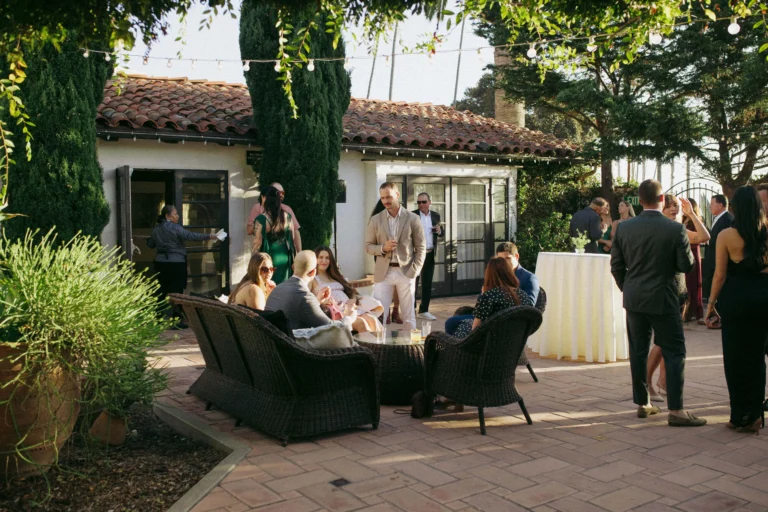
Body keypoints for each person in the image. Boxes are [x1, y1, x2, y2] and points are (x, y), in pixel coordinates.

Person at [610, 179, 706, 427]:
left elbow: (617, 266)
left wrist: (629, 288)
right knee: (675, 351)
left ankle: (643, 403)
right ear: (662, 199)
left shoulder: (623, 228)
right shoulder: (674, 229)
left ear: (639, 201)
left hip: (635, 298)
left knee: (638, 350)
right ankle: (676, 410)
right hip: (664, 297)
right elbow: (686, 265)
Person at [706, 186, 768, 434]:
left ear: (735, 208)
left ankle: (739, 415)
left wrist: (710, 305)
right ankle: (755, 416)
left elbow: (720, 275)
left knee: (735, 359)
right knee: (757, 359)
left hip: (737, 299)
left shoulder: (727, 235)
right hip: (764, 297)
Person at [646, 195, 710, 402]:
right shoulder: (658, 229)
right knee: (663, 340)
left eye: (676, 207)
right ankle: (647, 382)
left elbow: (704, 237)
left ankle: (660, 381)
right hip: (662, 290)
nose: (674, 210)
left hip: (678, 291)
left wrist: (691, 213)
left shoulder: (679, 229)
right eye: (669, 207)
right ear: (661, 210)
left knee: (668, 340)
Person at [365, 182, 426, 332]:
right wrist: (382, 248)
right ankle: (381, 348)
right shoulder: (376, 220)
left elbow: (421, 247)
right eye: (382, 198)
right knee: (378, 314)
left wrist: (415, 270)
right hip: (383, 273)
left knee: (409, 316)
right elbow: (368, 246)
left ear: (397, 195)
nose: (385, 201)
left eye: (389, 197)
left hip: (406, 271)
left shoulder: (412, 218)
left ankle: (409, 350)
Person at [147, 205, 220, 328]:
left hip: (161, 263)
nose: (178, 216)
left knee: (162, 290)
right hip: (176, 263)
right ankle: (176, 320)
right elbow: (191, 236)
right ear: (167, 216)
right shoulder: (176, 228)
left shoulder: (156, 229)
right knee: (177, 291)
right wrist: (209, 236)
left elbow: (151, 244)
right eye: (175, 214)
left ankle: (158, 318)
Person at [445, 242, 539, 335]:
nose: (503, 263)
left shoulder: (529, 279)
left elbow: (529, 309)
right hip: (488, 315)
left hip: (502, 324)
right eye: (500, 260)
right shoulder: (496, 284)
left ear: (516, 257)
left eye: (507, 259)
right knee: (452, 322)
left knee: (456, 326)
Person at [266, 250, 357, 332]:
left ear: (293, 267)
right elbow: (331, 329)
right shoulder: (305, 296)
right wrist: (349, 317)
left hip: (276, 345)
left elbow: (299, 309)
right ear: (313, 272)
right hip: (298, 348)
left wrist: (317, 301)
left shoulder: (277, 289)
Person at [311, 246, 383, 333]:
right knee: (362, 323)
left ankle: (380, 345)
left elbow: (351, 290)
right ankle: (369, 346)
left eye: (327, 258)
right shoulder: (313, 278)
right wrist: (323, 301)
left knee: (372, 319)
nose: (324, 261)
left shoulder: (334, 275)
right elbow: (309, 298)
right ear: (315, 259)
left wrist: (353, 299)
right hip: (337, 312)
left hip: (351, 307)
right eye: (320, 257)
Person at [253, 186, 296, 285]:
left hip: (268, 259)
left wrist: (253, 265)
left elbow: (257, 244)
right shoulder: (287, 217)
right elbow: (292, 240)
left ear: (264, 198)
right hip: (284, 258)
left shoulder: (261, 219)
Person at [413, 192, 443, 321]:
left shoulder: (436, 215)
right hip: (416, 254)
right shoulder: (412, 215)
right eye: (419, 202)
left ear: (429, 202)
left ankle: (424, 310)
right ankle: (411, 310)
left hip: (430, 253)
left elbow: (441, 233)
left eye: (424, 202)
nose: (421, 205)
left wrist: (439, 231)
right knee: (413, 283)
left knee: (427, 283)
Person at [246, 182, 302, 252]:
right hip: (266, 252)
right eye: (278, 192)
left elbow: (295, 231)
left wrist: (299, 253)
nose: (281, 194)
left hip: (281, 252)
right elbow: (249, 230)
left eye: (283, 193)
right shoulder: (258, 208)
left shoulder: (287, 209)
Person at [703, 194, 734, 298]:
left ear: (720, 205)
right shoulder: (718, 218)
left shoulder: (728, 220)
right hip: (712, 262)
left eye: (712, 204)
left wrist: (707, 240)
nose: (710, 206)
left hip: (719, 263)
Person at [683, 198, 706, 324]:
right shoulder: (682, 220)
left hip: (692, 252)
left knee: (693, 282)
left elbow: (699, 237)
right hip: (685, 252)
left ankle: (692, 310)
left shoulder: (694, 220)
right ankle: (686, 310)